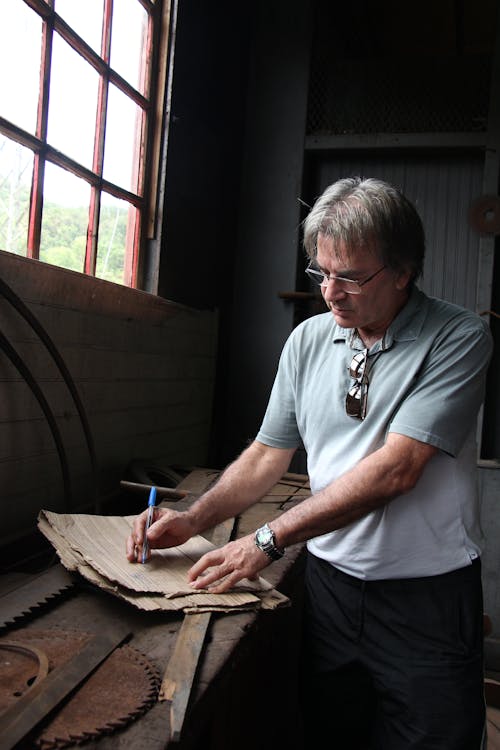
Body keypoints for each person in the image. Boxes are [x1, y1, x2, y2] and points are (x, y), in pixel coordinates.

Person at [126, 177, 493, 749]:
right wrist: (191, 519)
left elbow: (397, 470)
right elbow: (267, 454)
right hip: (330, 591)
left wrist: (265, 541)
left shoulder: (458, 337)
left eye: (349, 276)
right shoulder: (307, 341)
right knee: (330, 732)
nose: (330, 292)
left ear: (403, 270)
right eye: (321, 272)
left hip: (427, 599)